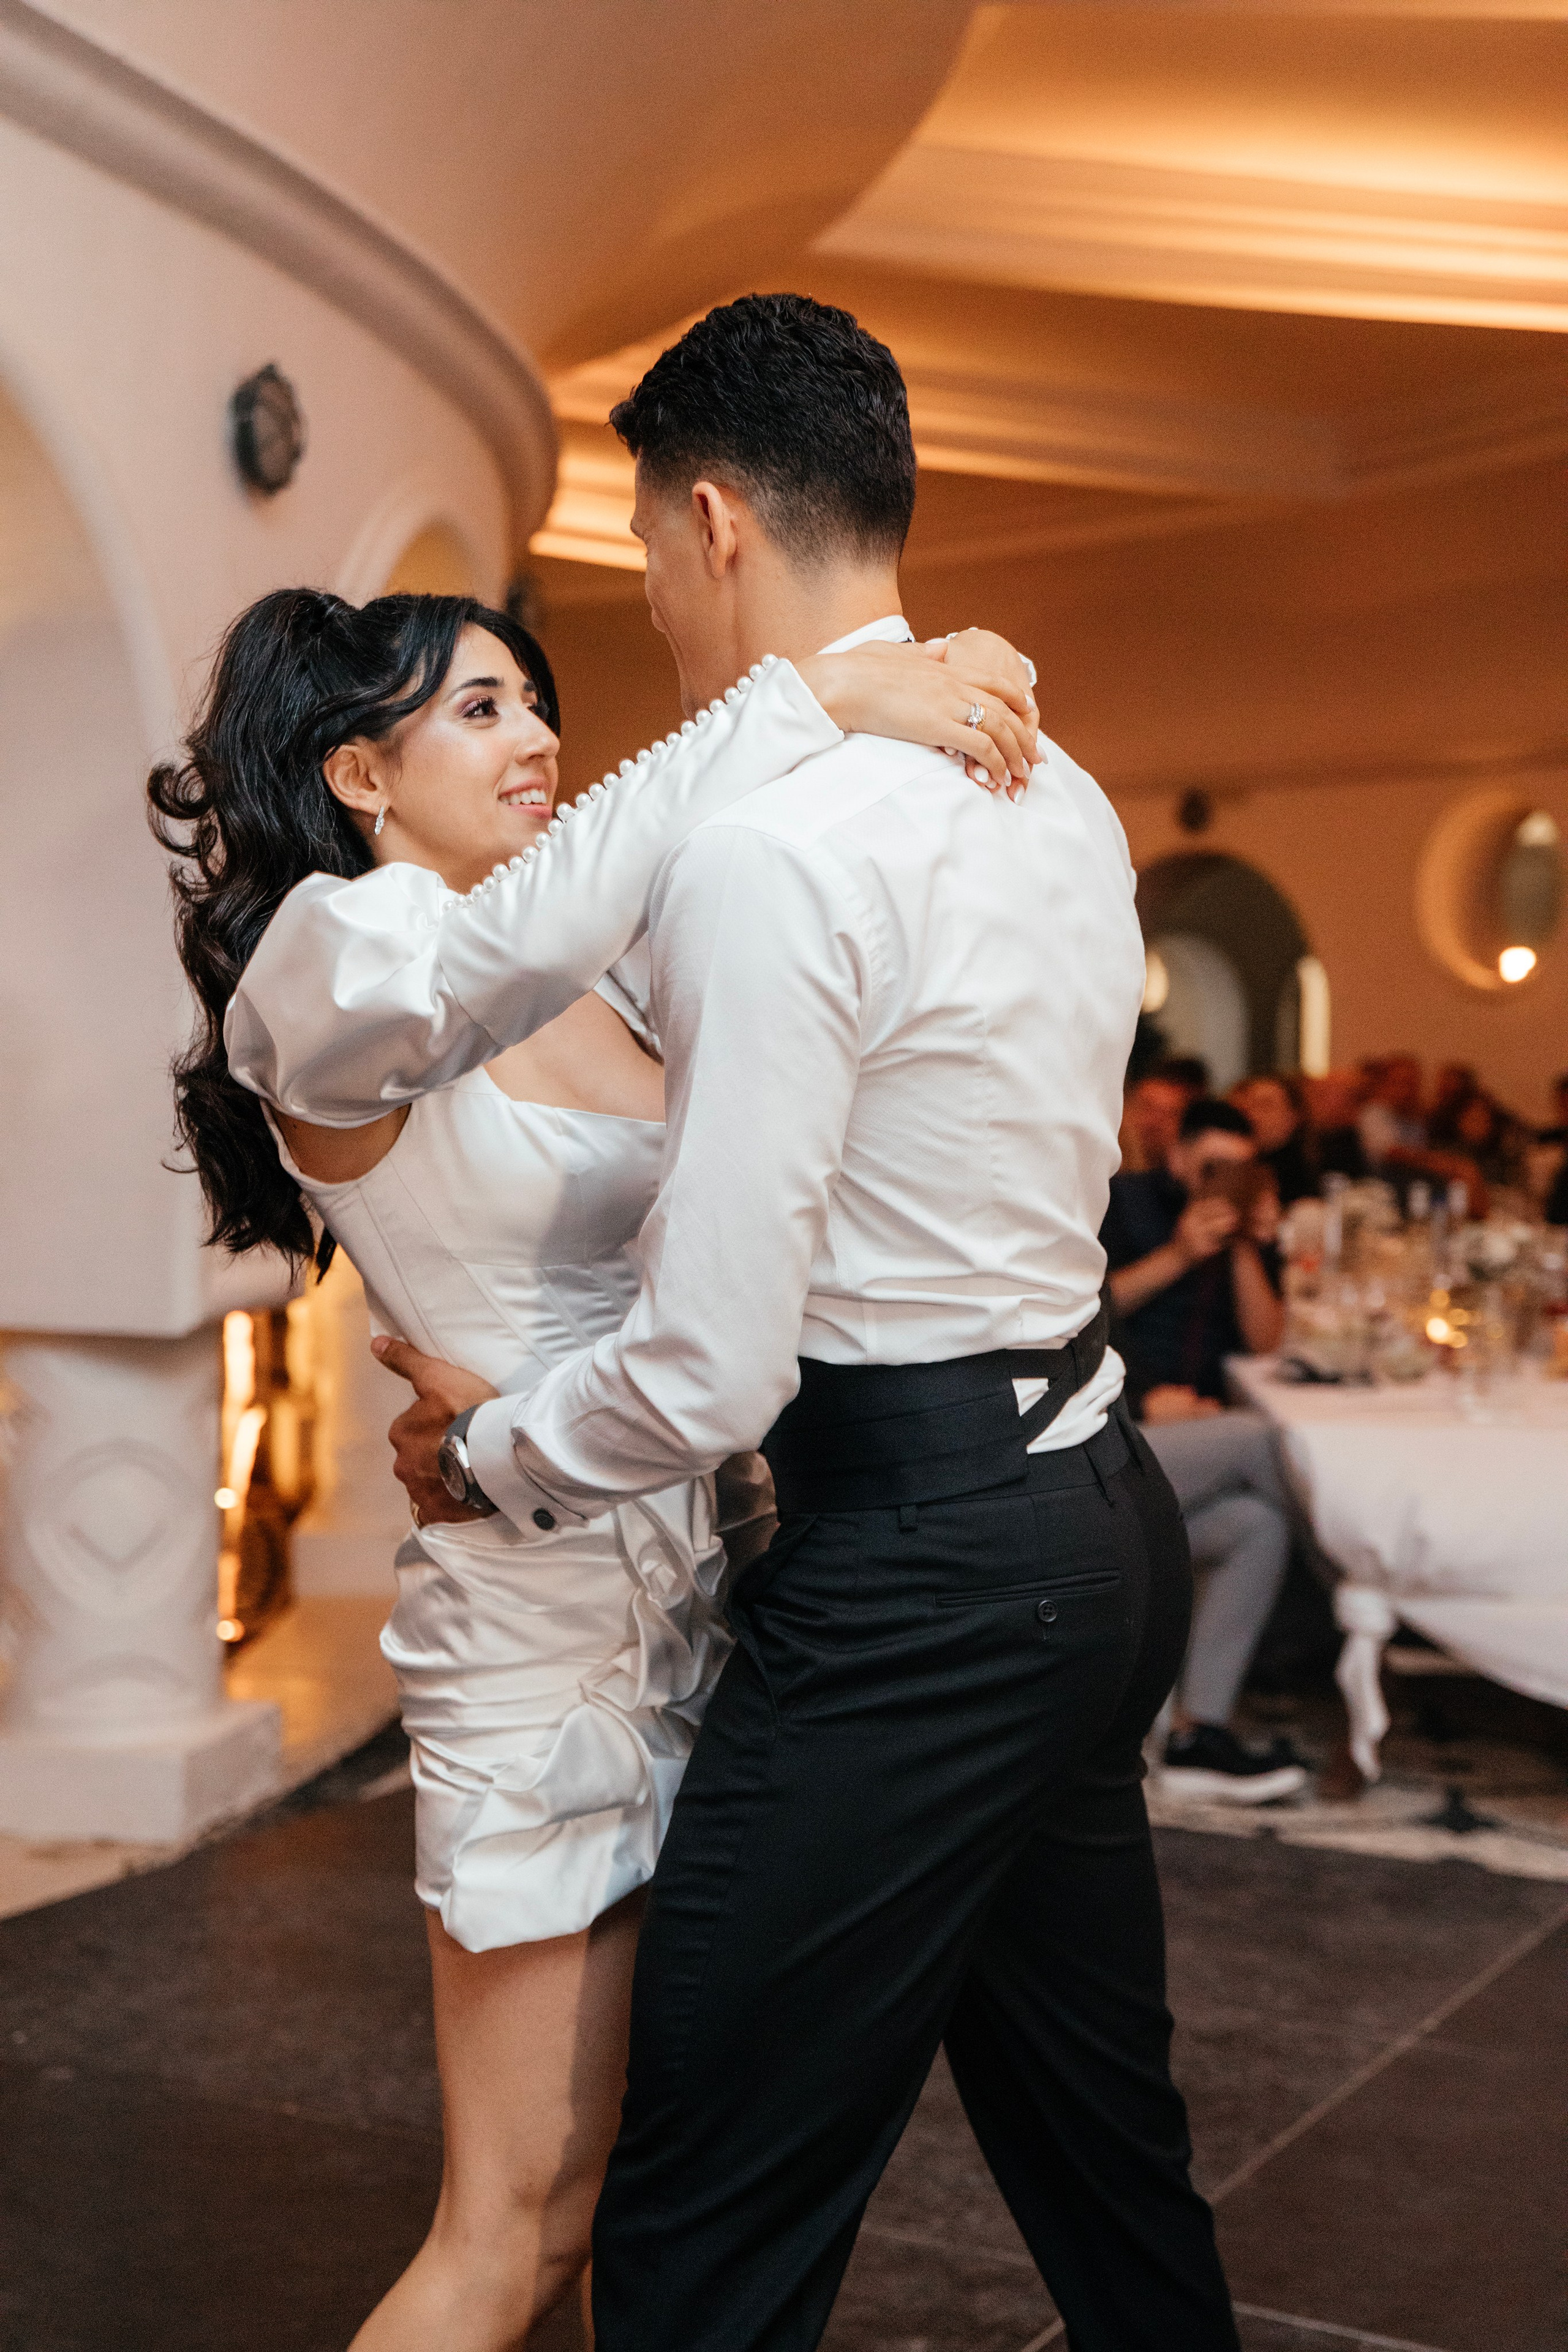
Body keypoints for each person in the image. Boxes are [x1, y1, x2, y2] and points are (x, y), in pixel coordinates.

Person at [375, 293, 1238, 2352]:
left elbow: (713, 1368)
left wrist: (493, 1455)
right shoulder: (1072, 794)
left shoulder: (770, 847)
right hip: (1095, 1521)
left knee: (705, 2237)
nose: (654, 605)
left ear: (708, 522)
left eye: (650, 556)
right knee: (1111, 2172)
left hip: (917, 1569)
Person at [149, 582, 1041, 2352]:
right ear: (356, 773)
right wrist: (820, 695)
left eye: (534, 699)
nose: (540, 736)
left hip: (708, 1588)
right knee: (510, 2228)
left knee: (617, 2205)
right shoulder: (331, 964)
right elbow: (539, 925)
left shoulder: (588, 967)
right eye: (480, 709)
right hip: (538, 1632)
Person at [1101, 1099, 1303, 1801]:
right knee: (1260, 1439)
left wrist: (1244, 1245)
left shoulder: (1245, 1231)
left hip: (1186, 1451)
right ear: (1181, 1156)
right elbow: (1087, 1310)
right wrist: (1180, 1254)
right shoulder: (1123, 1204)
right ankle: (1349, 1551)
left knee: (1258, 1524)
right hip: (1111, 1436)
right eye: (1213, 1167)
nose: (1225, 1182)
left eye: (1241, 1171)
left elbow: (1266, 1344)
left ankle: (1196, 1736)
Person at [1231, 1072, 1316, 1205]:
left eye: (1265, 1105)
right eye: (1246, 1106)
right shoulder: (1235, 1164)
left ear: (1293, 1117)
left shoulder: (1304, 1173)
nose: (1252, 1114)